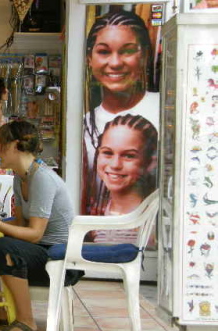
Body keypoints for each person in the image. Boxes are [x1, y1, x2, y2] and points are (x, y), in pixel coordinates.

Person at [0, 120, 79, 331]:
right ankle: (0, 309)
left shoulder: (42, 178)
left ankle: (26, 321)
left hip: (59, 259)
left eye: (1, 145)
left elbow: (35, 234)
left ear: (14, 145)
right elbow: (20, 224)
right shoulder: (20, 178)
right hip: (39, 251)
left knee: (5, 246)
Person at [82, 10, 160, 215]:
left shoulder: (166, 108)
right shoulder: (84, 124)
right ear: (90, 58)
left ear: (144, 55)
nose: (115, 63)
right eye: (104, 51)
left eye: (127, 51)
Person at [93, 114, 157, 243]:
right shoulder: (97, 211)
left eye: (128, 156)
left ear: (150, 163)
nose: (115, 165)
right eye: (107, 153)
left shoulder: (153, 220)